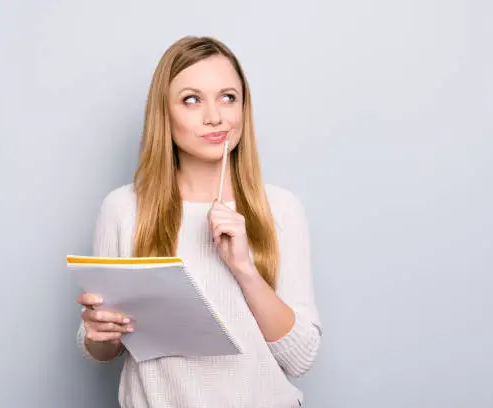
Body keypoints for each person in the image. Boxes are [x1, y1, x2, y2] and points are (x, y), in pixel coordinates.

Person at [76, 35, 322, 408]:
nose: (215, 116)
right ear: (165, 112)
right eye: (192, 99)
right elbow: (103, 349)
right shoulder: (124, 209)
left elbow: (301, 357)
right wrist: (99, 333)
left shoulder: (281, 208)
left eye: (228, 97)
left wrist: (245, 270)